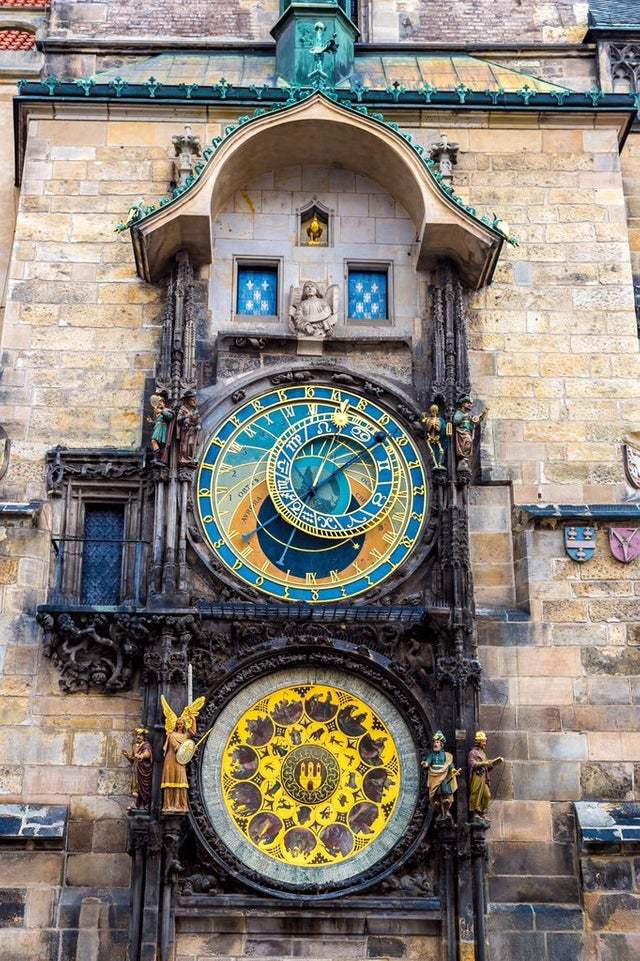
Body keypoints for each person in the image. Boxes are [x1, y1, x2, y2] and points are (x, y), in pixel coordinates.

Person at [160, 695, 205, 813]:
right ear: (176, 725)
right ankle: (168, 805)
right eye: (178, 724)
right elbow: (177, 748)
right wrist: (189, 749)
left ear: (184, 725)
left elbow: (193, 732)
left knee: (181, 780)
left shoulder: (185, 735)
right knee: (170, 780)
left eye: (181, 724)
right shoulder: (171, 735)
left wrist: (193, 719)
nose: (180, 725)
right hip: (171, 759)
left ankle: (180, 804)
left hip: (180, 761)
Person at [422, 730, 460, 817]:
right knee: (436, 794)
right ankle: (439, 810)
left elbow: (450, 764)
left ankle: (446, 810)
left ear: (442, 744)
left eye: (437, 742)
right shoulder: (432, 755)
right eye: (435, 742)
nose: (435, 744)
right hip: (434, 776)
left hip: (444, 776)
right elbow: (428, 762)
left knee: (445, 792)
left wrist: (453, 770)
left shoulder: (447, 755)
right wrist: (425, 764)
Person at [467, 731, 503, 820]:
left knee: (487, 795)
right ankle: (475, 813)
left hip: (483, 777)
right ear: (479, 742)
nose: (485, 743)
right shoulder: (473, 753)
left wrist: (492, 764)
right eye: (483, 741)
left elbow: (486, 767)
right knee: (476, 794)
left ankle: (482, 812)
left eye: (485, 741)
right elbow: (472, 764)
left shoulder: (483, 753)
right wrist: (484, 763)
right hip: (477, 776)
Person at [122, 727, 153, 811]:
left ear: (144, 737)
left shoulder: (146, 745)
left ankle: (144, 804)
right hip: (136, 769)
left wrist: (141, 756)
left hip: (143, 769)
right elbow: (133, 759)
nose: (138, 737)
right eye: (137, 735)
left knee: (143, 787)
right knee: (135, 787)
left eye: (140, 735)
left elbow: (147, 753)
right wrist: (127, 756)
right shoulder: (135, 745)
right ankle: (136, 804)